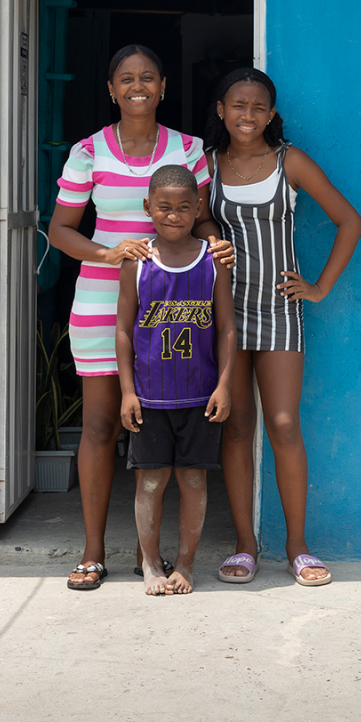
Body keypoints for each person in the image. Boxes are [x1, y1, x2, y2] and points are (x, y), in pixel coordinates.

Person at [48, 45, 234, 591]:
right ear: (111, 89)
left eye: (147, 77)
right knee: (103, 425)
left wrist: (216, 244)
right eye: (126, 79)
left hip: (177, 307)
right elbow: (61, 229)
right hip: (105, 301)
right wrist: (111, 253)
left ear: (163, 85)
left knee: (158, 424)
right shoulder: (87, 152)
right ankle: (92, 551)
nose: (137, 86)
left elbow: (200, 220)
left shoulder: (189, 148)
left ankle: (147, 550)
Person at [205, 68, 361, 587]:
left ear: (270, 115)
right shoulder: (206, 166)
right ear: (222, 110)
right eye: (238, 105)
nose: (247, 115)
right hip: (224, 313)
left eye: (258, 107)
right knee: (235, 427)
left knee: (285, 426)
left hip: (277, 311)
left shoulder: (287, 161)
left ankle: (297, 546)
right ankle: (245, 547)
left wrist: (318, 288)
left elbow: (350, 220)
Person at [116, 165, 235, 596]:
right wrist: (128, 392)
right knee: (149, 482)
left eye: (184, 207)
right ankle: (150, 564)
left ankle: (185, 563)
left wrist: (224, 385)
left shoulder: (213, 262)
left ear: (198, 208)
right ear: (148, 207)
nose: (173, 215)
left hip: (200, 397)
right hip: (149, 398)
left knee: (194, 481)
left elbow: (226, 328)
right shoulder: (138, 263)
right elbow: (125, 330)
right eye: (163, 207)